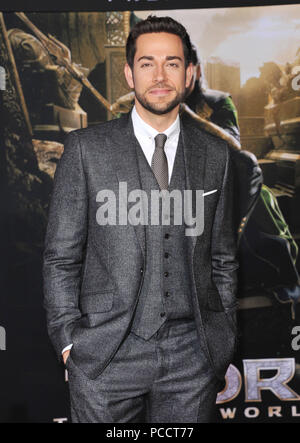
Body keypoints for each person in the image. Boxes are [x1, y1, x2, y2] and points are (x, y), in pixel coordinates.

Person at [43, 15, 238, 423]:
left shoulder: (215, 156)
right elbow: (61, 257)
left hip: (191, 357)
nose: (160, 75)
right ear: (130, 74)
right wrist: (68, 341)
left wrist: (220, 339)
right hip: (106, 355)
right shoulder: (85, 150)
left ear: (190, 73)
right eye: (147, 63)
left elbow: (222, 258)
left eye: (172, 62)